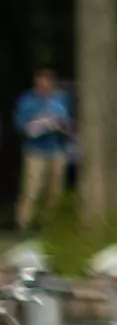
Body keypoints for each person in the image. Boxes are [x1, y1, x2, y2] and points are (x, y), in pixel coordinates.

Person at [13, 69, 71, 232]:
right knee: (32, 188)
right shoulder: (27, 101)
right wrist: (37, 123)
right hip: (35, 150)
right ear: (36, 84)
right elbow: (20, 124)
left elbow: (67, 122)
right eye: (41, 84)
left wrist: (60, 125)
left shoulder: (60, 100)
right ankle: (23, 224)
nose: (45, 87)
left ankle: (49, 224)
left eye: (48, 84)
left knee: (55, 191)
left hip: (56, 149)